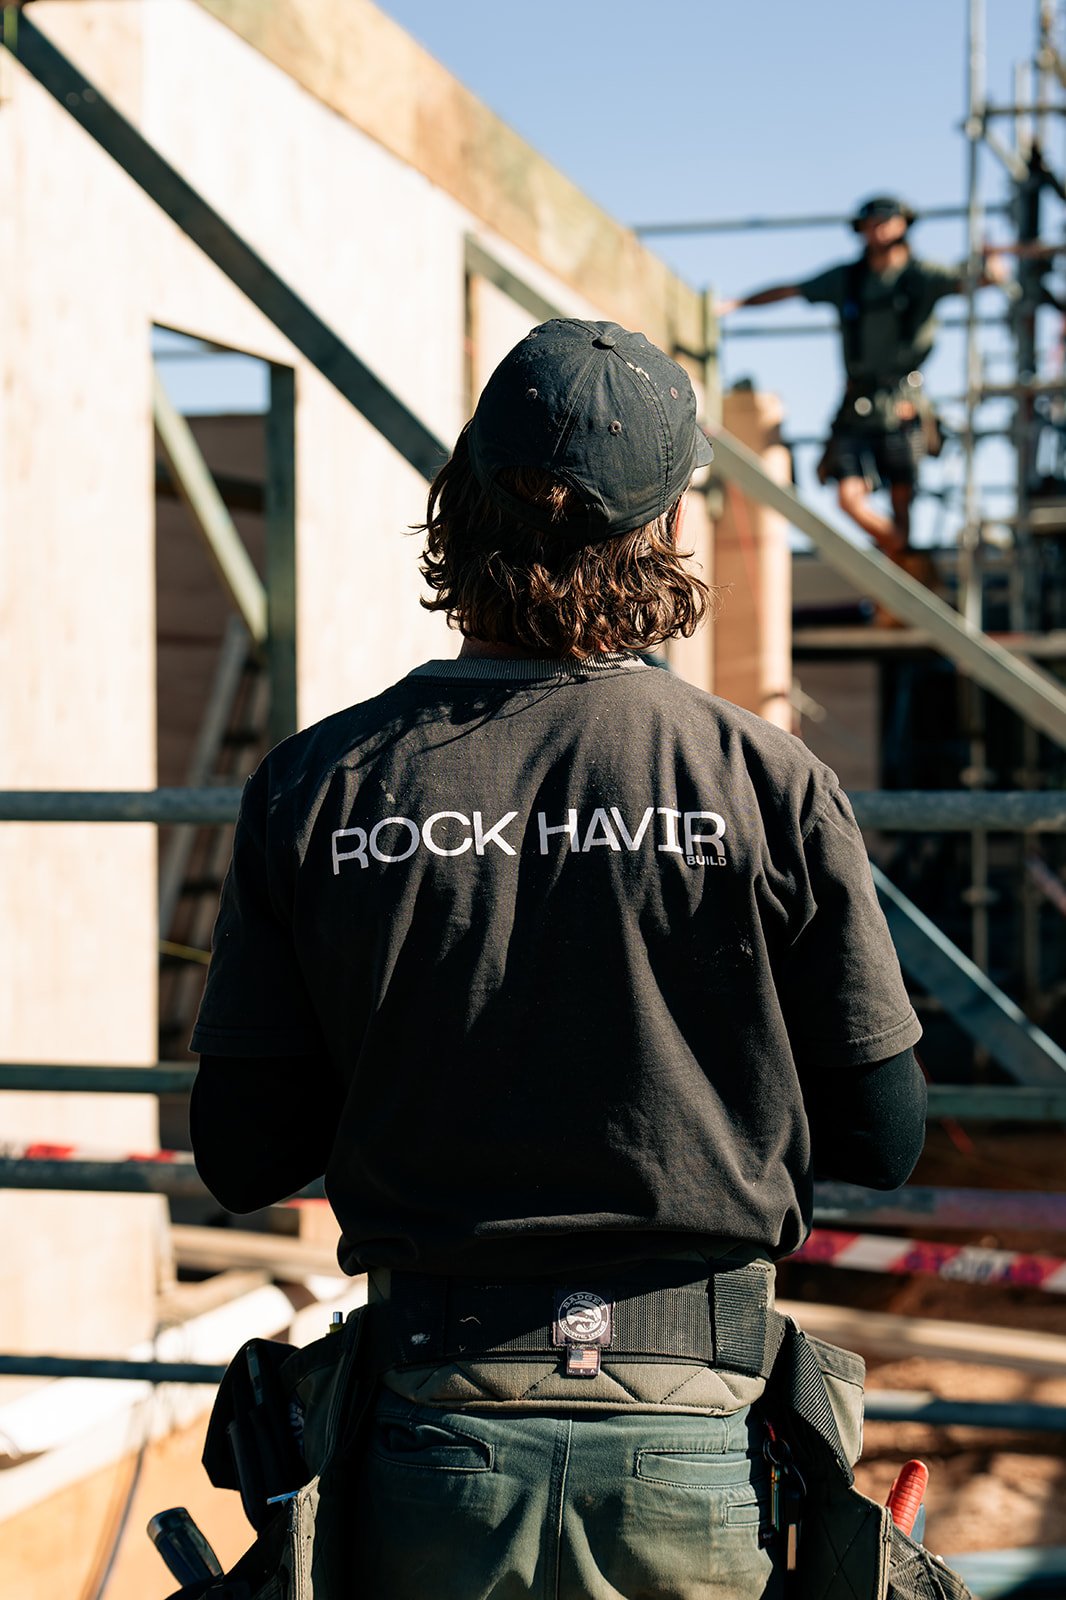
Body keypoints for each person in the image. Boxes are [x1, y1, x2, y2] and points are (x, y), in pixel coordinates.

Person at [189, 317, 926, 1600]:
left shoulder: (317, 786)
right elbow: (884, 1132)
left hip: (429, 1437)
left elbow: (243, 1153)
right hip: (696, 1443)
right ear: (667, 525)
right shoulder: (766, 780)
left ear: (462, 498)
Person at [719, 195, 1007, 562]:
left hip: (903, 404)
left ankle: (899, 555)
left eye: (886, 221)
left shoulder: (922, 276)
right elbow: (792, 290)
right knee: (848, 498)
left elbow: (977, 281)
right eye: (870, 223)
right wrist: (737, 304)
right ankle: (899, 553)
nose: (878, 229)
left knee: (902, 505)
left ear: (904, 224)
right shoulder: (849, 279)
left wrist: (993, 267)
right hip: (857, 403)